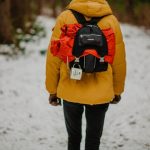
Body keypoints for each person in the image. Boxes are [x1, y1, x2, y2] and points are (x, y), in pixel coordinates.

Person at [45, 0, 126, 150]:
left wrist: (52, 90)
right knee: (94, 140)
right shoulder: (111, 21)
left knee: (73, 138)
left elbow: (53, 57)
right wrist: (117, 90)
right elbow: (118, 60)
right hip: (101, 91)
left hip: (70, 87)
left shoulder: (65, 17)